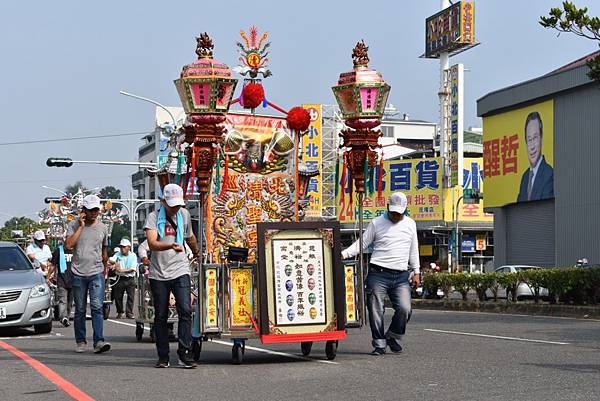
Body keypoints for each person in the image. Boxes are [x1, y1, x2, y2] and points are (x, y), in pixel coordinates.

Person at [341, 191, 420, 356]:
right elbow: (362, 243)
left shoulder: (411, 224)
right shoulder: (377, 223)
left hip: (401, 275)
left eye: (399, 213)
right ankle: (379, 343)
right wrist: (343, 254)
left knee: (405, 309)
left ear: (405, 210)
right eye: (393, 212)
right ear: (387, 207)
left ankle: (392, 336)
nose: (395, 216)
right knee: (376, 309)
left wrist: (417, 271)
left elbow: (414, 249)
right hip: (378, 273)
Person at [144, 184, 200, 368]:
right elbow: (152, 244)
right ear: (163, 202)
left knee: (185, 309)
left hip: (180, 269)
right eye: (172, 204)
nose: (176, 208)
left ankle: (184, 352)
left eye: (178, 204)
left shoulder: (183, 214)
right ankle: (163, 356)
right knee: (161, 316)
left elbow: (190, 236)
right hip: (158, 273)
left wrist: (197, 252)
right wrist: (171, 246)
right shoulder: (153, 218)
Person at [65, 194, 111, 354]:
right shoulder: (73, 225)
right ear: (83, 210)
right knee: (80, 309)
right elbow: (69, 245)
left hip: (97, 272)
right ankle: (81, 340)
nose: (94, 213)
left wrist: (105, 270)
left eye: (96, 210)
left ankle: (99, 341)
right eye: (90, 210)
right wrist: (81, 226)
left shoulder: (103, 228)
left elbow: (105, 250)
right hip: (78, 273)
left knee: (97, 307)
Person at [517, 111, 554, 202]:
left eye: (535, 138)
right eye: (529, 140)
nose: (532, 146)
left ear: (541, 138)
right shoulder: (525, 178)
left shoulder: (549, 174)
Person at [47, 241, 74, 327]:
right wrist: (48, 277)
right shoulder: (59, 251)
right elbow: (53, 265)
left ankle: (67, 318)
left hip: (74, 280)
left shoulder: (77, 250)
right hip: (62, 280)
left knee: (70, 302)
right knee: (63, 300)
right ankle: (63, 317)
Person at [112, 238, 137, 319]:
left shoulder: (133, 255)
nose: (122, 249)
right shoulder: (117, 254)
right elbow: (112, 259)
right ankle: (120, 311)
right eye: (121, 247)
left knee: (131, 297)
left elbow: (132, 268)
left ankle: (129, 312)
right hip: (120, 278)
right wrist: (112, 263)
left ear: (128, 247)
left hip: (130, 278)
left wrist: (121, 270)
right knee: (118, 297)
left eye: (124, 247)